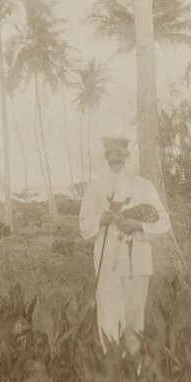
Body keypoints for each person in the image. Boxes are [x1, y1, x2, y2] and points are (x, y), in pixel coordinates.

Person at [79, 135, 171, 357]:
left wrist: (137, 225)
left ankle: (134, 370)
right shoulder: (95, 187)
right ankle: (113, 369)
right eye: (111, 151)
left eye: (121, 150)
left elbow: (164, 222)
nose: (116, 155)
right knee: (109, 315)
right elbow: (84, 226)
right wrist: (101, 219)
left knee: (134, 315)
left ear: (127, 153)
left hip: (136, 260)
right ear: (106, 155)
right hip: (106, 260)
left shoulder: (143, 185)